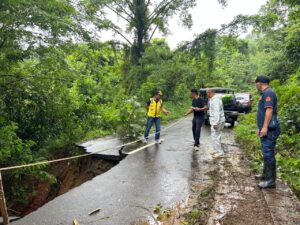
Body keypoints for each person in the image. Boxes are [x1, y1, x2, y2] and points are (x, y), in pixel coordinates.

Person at [255, 75, 280, 189]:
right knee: (266, 153)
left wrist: (264, 127)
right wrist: (260, 128)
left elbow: (269, 111)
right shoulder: (265, 94)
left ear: (260, 83)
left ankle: (270, 181)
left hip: (270, 129)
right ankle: (265, 175)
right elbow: (262, 113)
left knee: (268, 153)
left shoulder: (268, 93)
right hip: (266, 128)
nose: (256, 85)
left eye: (256, 83)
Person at [207, 89, 226, 158]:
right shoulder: (213, 99)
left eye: (207, 93)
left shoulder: (216, 100)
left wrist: (215, 123)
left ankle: (220, 152)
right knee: (215, 136)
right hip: (217, 120)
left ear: (210, 93)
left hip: (217, 121)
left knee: (215, 136)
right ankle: (216, 150)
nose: (207, 94)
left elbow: (216, 112)